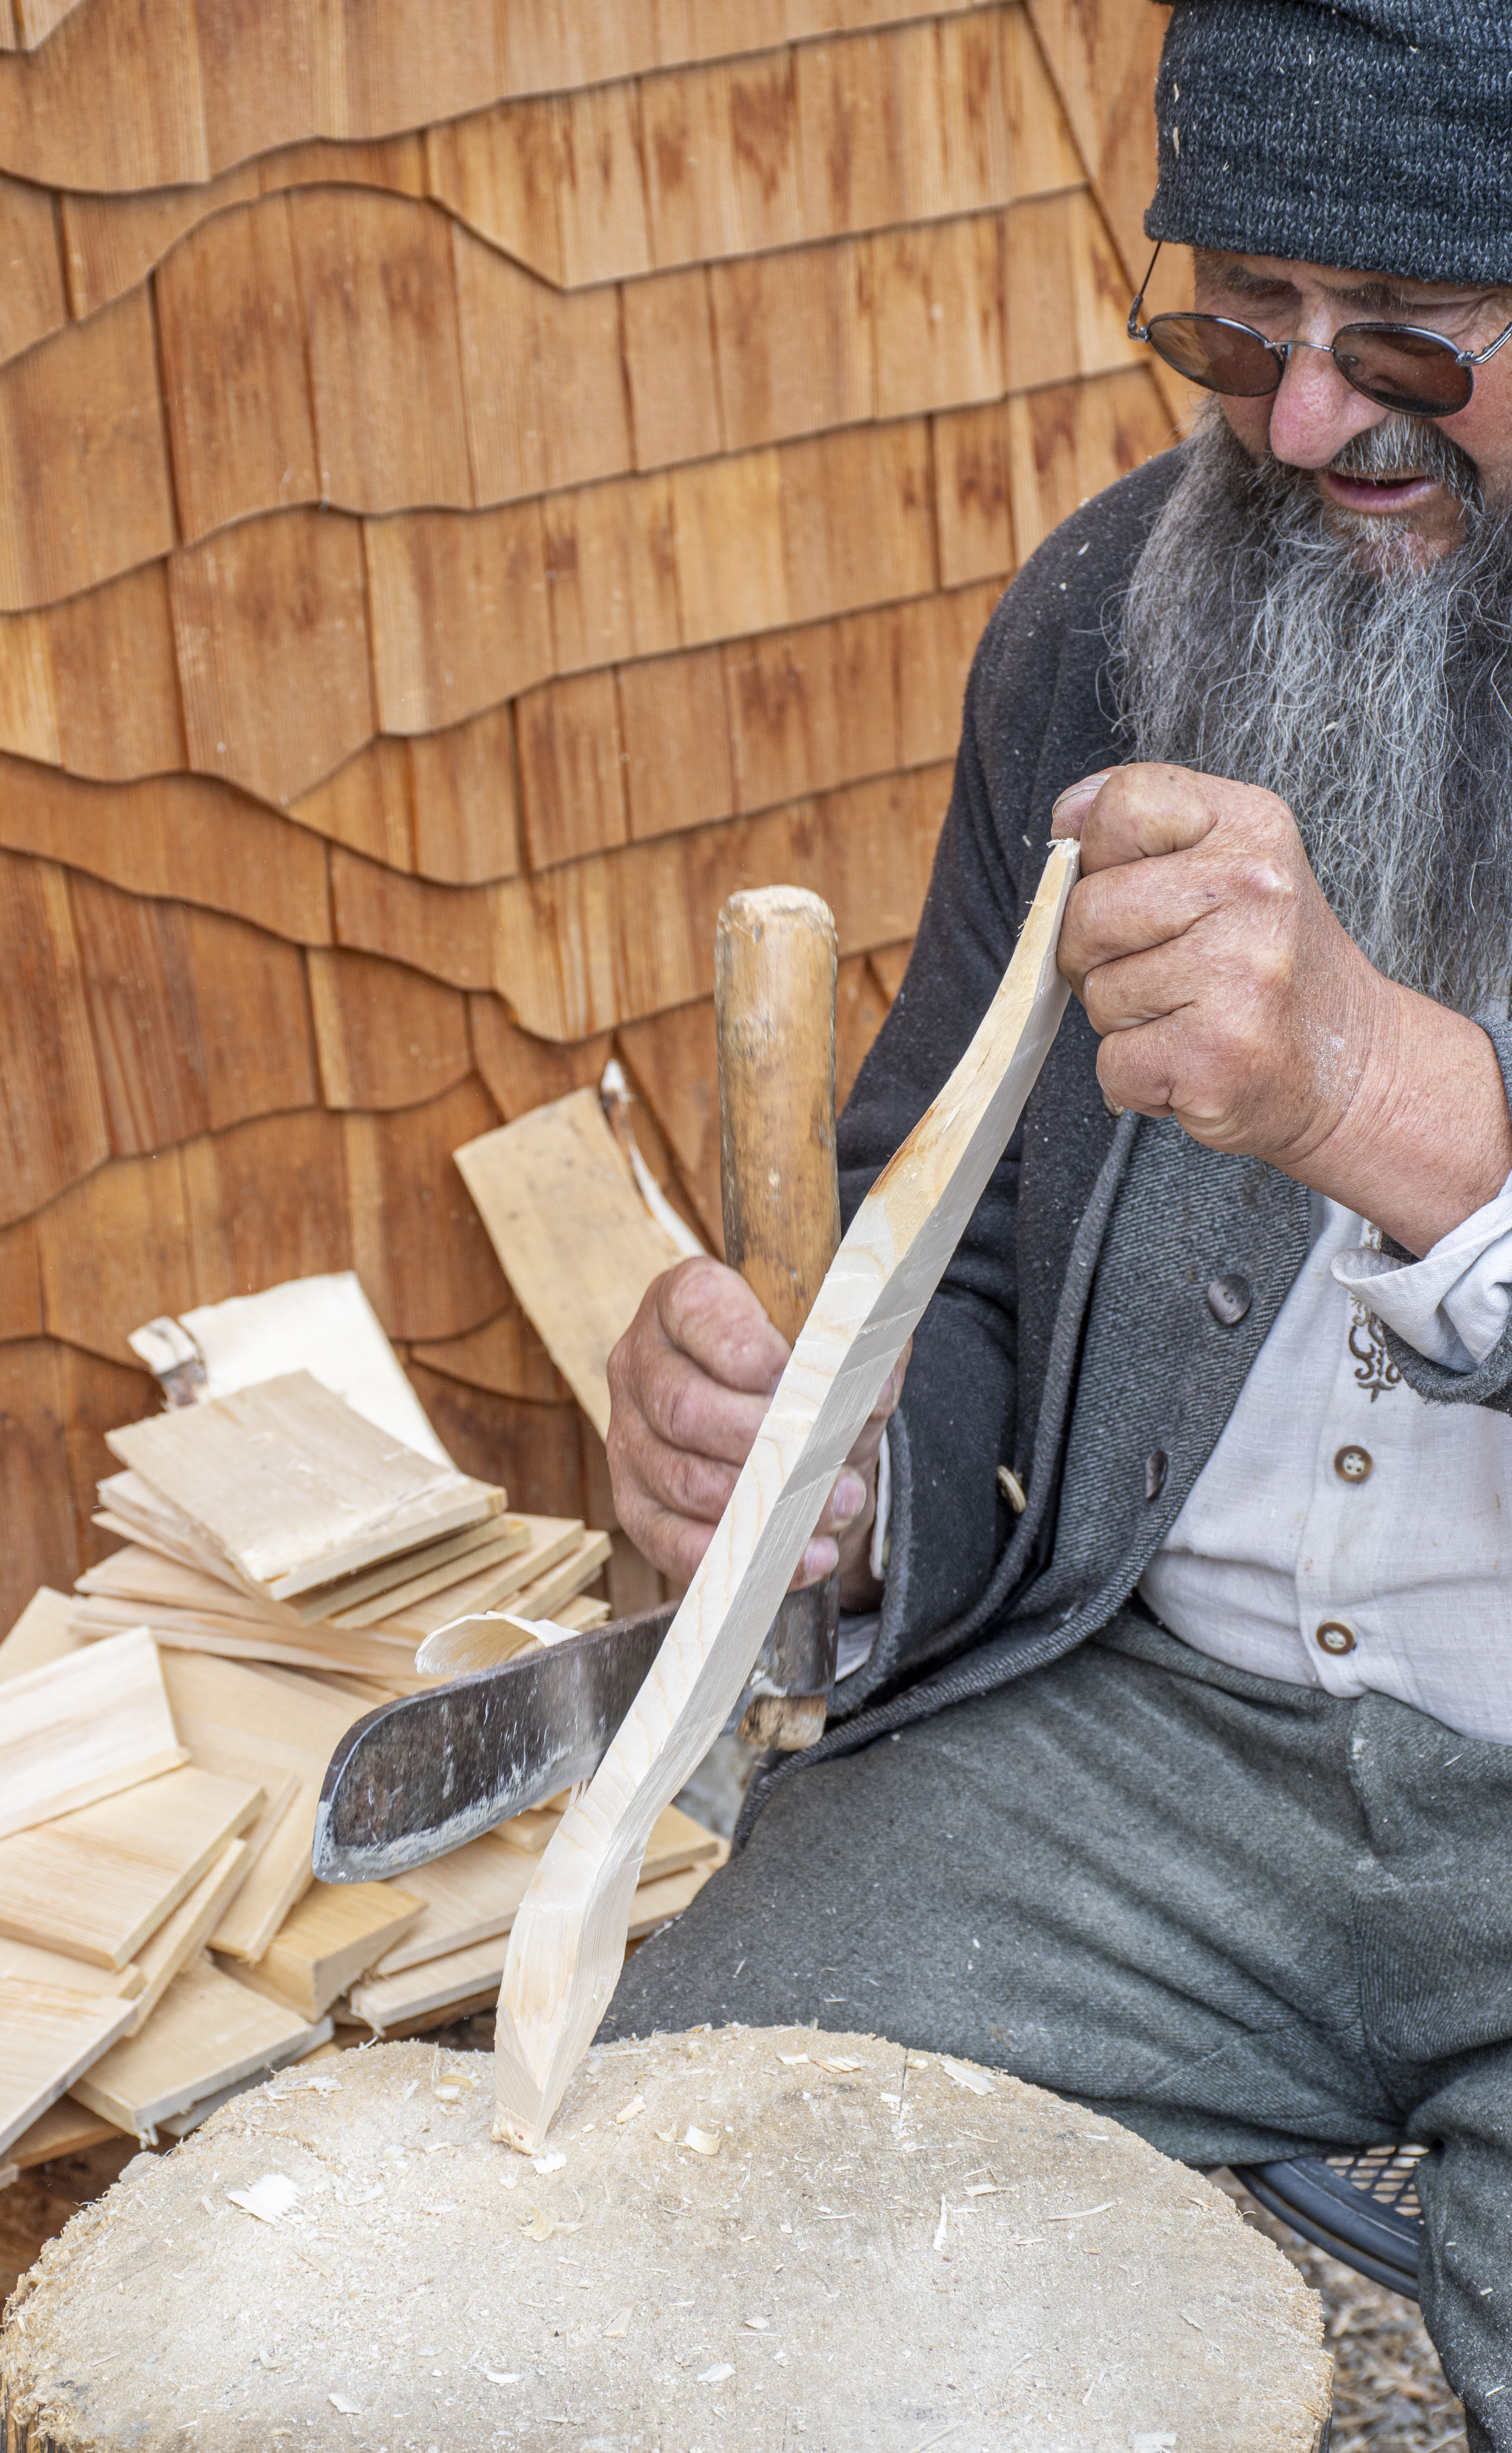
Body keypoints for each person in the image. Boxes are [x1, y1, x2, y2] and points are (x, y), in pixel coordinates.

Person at [603, 1, 1512, 2437]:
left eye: (1414, 334)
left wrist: (1388, 1104)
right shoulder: (1123, 610)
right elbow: (963, 1219)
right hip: (1151, 1757)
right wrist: (849, 1454)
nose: (1310, 421)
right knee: (669, 2144)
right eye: (1238, 323)